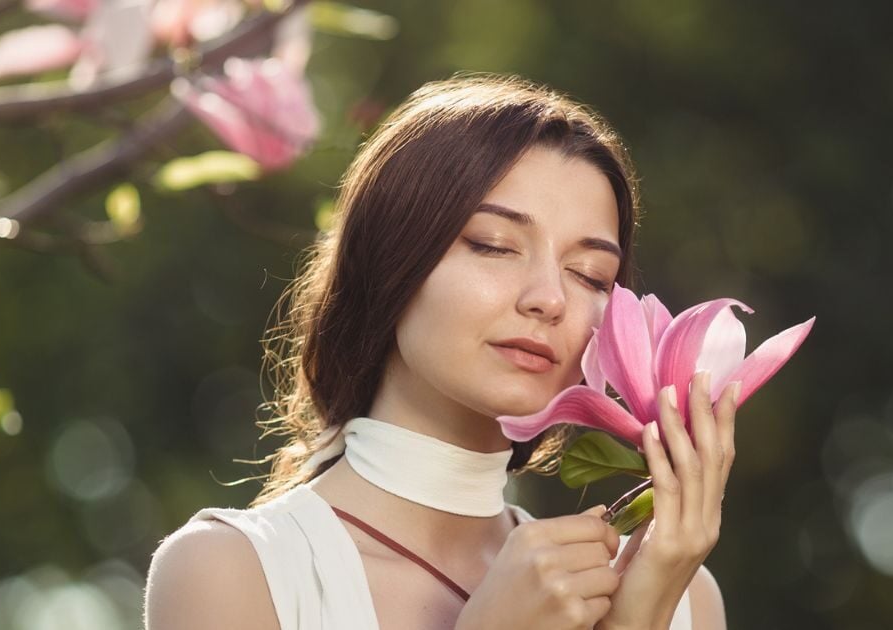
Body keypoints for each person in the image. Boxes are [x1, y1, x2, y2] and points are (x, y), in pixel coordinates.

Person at [144, 73, 734, 630]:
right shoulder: (233, 574)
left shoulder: (680, 599)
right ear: (389, 262)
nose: (549, 299)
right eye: (494, 245)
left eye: (591, 276)